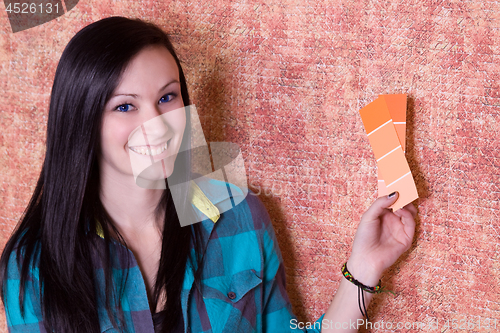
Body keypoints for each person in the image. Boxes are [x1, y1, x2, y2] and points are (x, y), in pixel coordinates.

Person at [0, 17, 417, 333]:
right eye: (125, 106)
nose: (158, 124)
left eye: (167, 97)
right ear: (82, 120)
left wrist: (363, 269)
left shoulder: (241, 215)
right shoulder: (33, 264)